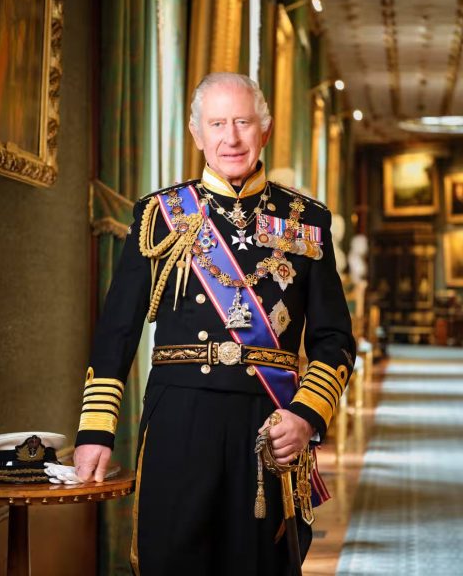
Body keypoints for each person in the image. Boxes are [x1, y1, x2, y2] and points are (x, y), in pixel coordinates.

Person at [74, 72, 355, 576]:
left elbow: (334, 339)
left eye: (243, 122)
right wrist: (96, 430)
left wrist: (306, 416)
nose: (232, 138)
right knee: (172, 559)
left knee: (260, 563)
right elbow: (117, 330)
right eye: (218, 124)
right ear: (197, 133)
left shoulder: (306, 219)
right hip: (180, 416)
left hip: (266, 422)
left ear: (265, 129)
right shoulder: (160, 214)